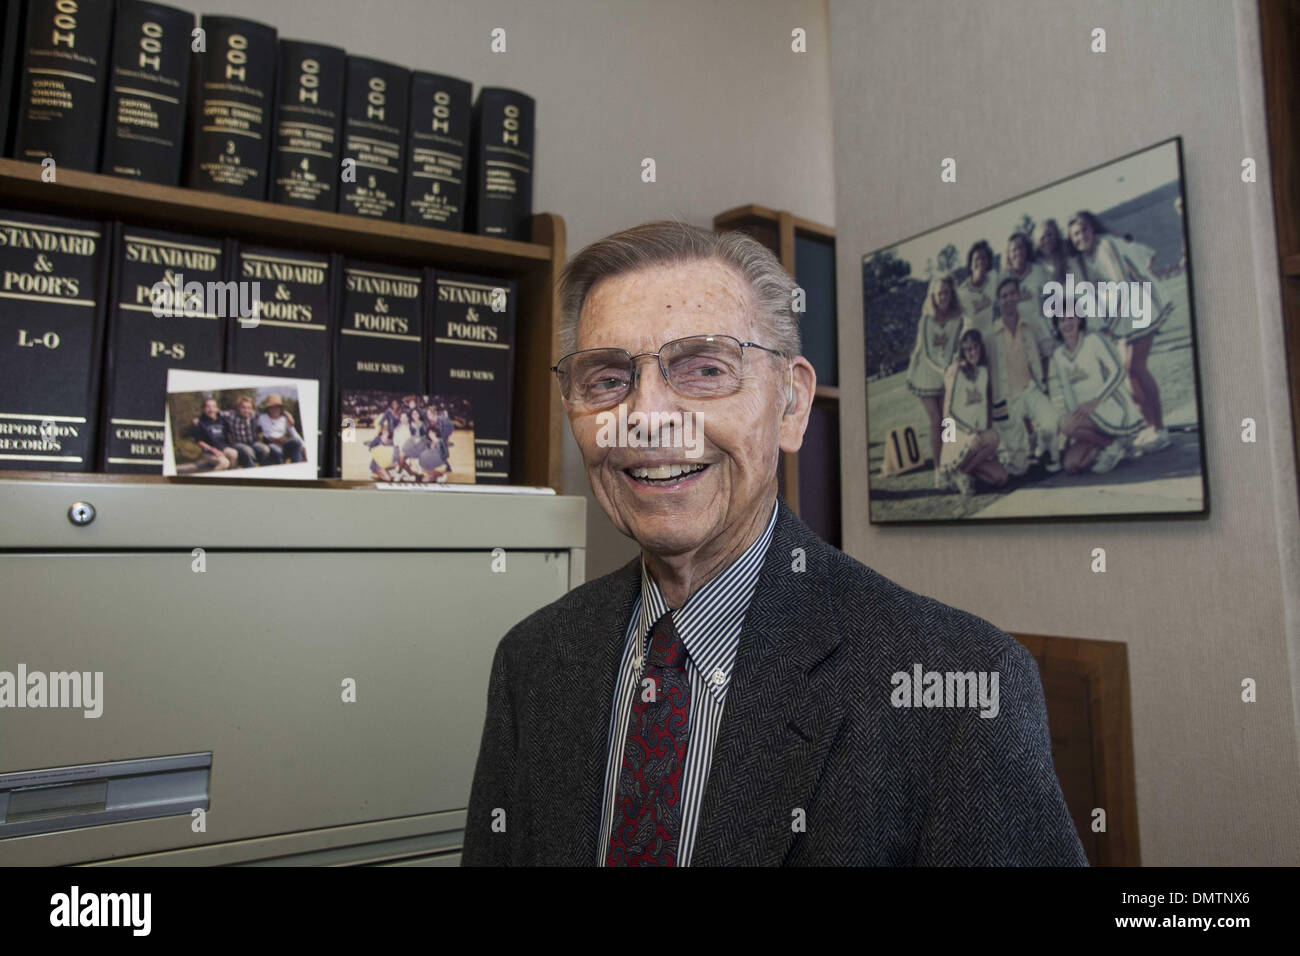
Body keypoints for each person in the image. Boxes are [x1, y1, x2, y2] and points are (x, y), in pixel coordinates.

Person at [462, 220, 1085, 867]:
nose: (647, 418)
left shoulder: (958, 688)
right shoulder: (531, 664)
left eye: (704, 368)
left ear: (790, 405)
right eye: (607, 379)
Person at [1067, 210, 1173, 454]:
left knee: (1136, 368)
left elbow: (1122, 286)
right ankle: (1150, 426)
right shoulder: (1089, 257)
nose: (1081, 236)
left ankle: (1160, 429)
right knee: (1128, 375)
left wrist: (1109, 324)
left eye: (1084, 230)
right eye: (1075, 234)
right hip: (1126, 315)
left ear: (1092, 229)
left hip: (1141, 307)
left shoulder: (1105, 246)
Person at [1047, 309, 1144, 475]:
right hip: (1085, 416)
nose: (1067, 323)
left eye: (1071, 317)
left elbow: (1118, 371)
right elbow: (1065, 391)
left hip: (1108, 405)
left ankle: (1114, 444)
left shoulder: (1094, 340)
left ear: (1079, 320)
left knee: (1066, 425)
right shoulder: (1058, 355)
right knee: (1071, 465)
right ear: (1057, 325)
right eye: (1062, 320)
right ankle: (1112, 445)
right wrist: (1073, 424)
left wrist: (1095, 401)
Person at [990, 277, 1062, 475]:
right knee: (1019, 469)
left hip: (1030, 389)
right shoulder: (991, 334)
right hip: (1007, 397)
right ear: (998, 301)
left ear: (1019, 295)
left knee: (1050, 421)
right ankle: (1019, 454)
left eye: (1013, 293)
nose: (1009, 299)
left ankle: (1047, 451)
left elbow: (1046, 349)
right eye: (1004, 296)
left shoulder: (1029, 324)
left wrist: (1044, 385)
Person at [904, 273, 963, 488]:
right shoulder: (927, 319)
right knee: (935, 421)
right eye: (938, 294)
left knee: (949, 421)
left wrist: (954, 366)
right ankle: (939, 470)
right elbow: (927, 353)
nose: (942, 297)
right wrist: (944, 370)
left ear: (951, 294)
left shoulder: (958, 319)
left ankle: (951, 464)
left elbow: (957, 346)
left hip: (947, 374)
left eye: (946, 293)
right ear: (932, 296)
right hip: (927, 374)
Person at [939, 329, 1007, 497]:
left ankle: (964, 473)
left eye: (975, 347)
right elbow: (950, 413)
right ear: (962, 352)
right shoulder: (958, 373)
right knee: (993, 437)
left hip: (977, 439)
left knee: (1001, 477)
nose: (973, 352)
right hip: (960, 436)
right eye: (968, 349)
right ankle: (957, 472)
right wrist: (968, 433)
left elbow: (984, 409)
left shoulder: (983, 372)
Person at [1002, 231, 1055, 371]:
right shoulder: (1003, 278)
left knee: (1050, 375)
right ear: (1008, 254)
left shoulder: (1039, 272)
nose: (1018, 252)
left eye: (1021, 247)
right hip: (1020, 340)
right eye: (1013, 249)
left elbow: (1051, 303)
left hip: (1043, 334)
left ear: (1026, 250)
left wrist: (1053, 329)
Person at [183, 397, 238, 472]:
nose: (211, 409)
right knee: (224, 463)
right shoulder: (200, 423)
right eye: (208, 407)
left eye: (213, 406)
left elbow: (234, 417)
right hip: (209, 452)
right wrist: (213, 450)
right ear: (203, 409)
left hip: (223, 448)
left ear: (217, 409)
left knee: (233, 453)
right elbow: (199, 442)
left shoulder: (222, 420)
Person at [221, 396, 271, 467]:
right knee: (247, 450)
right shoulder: (231, 415)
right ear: (238, 408)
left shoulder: (255, 415)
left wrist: (286, 414)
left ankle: (260, 465)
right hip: (237, 444)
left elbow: (270, 410)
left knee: (265, 449)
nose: (246, 410)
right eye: (243, 407)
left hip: (252, 443)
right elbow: (216, 413)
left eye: (249, 408)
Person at [255, 394, 306, 464]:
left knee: (296, 442)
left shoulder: (285, 419)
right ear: (268, 408)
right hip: (270, 444)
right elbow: (252, 415)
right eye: (271, 407)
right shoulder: (262, 418)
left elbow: (294, 433)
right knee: (276, 450)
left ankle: (297, 467)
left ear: (280, 408)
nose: (274, 409)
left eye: (277, 407)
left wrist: (304, 447)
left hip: (283, 444)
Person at [367, 416, 397, 480]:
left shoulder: (391, 441)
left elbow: (393, 453)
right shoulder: (378, 438)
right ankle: (376, 472)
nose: (386, 431)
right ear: (382, 429)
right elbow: (370, 448)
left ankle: (378, 474)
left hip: (386, 463)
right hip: (377, 463)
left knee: (391, 477)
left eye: (387, 429)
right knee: (388, 479)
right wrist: (379, 451)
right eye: (384, 429)